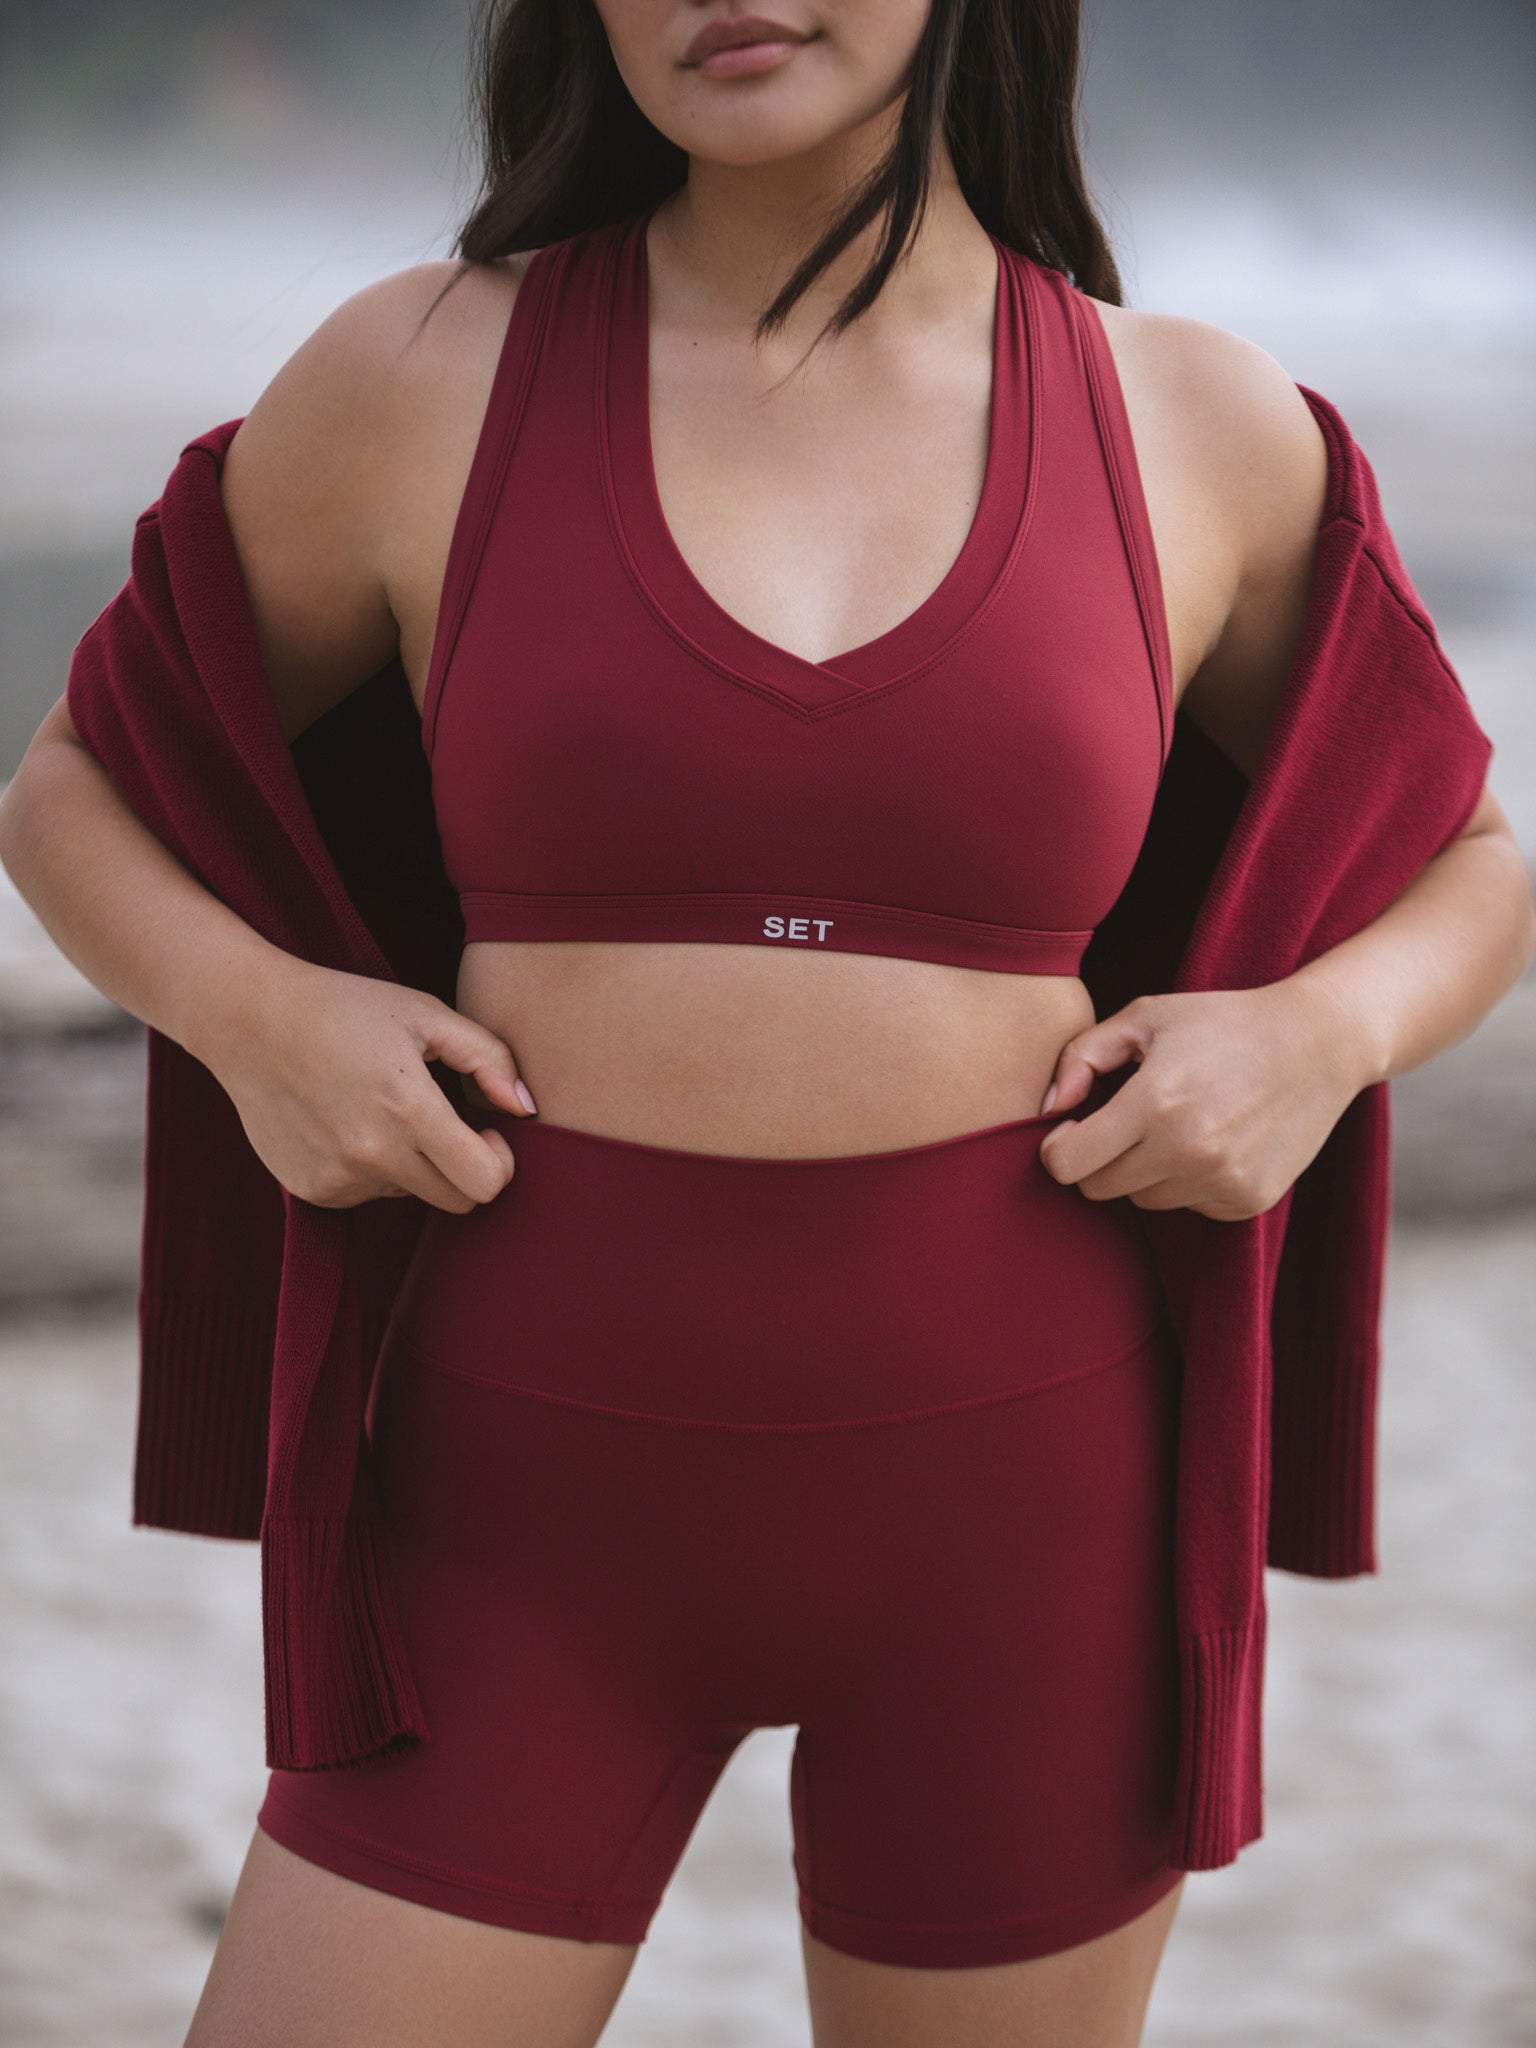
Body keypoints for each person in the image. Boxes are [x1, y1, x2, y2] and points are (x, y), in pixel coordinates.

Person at [1, 4, 1530, 2045]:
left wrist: (1313, 1038)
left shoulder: (1197, 421)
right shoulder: (420, 374)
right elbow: (73, 788)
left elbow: (1469, 858)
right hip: (512, 1515)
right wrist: (263, 1019)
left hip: (1026, 1511)